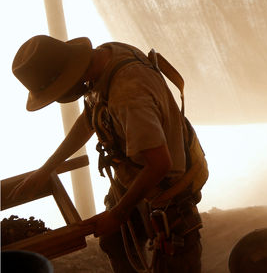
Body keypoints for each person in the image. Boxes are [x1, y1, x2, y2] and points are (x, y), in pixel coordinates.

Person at [10, 35, 206, 273]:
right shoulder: (103, 59)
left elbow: (159, 164)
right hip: (133, 174)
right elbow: (90, 119)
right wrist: (46, 169)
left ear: (67, 77)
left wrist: (118, 213)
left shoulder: (128, 94)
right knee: (115, 242)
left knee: (174, 261)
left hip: (165, 188)